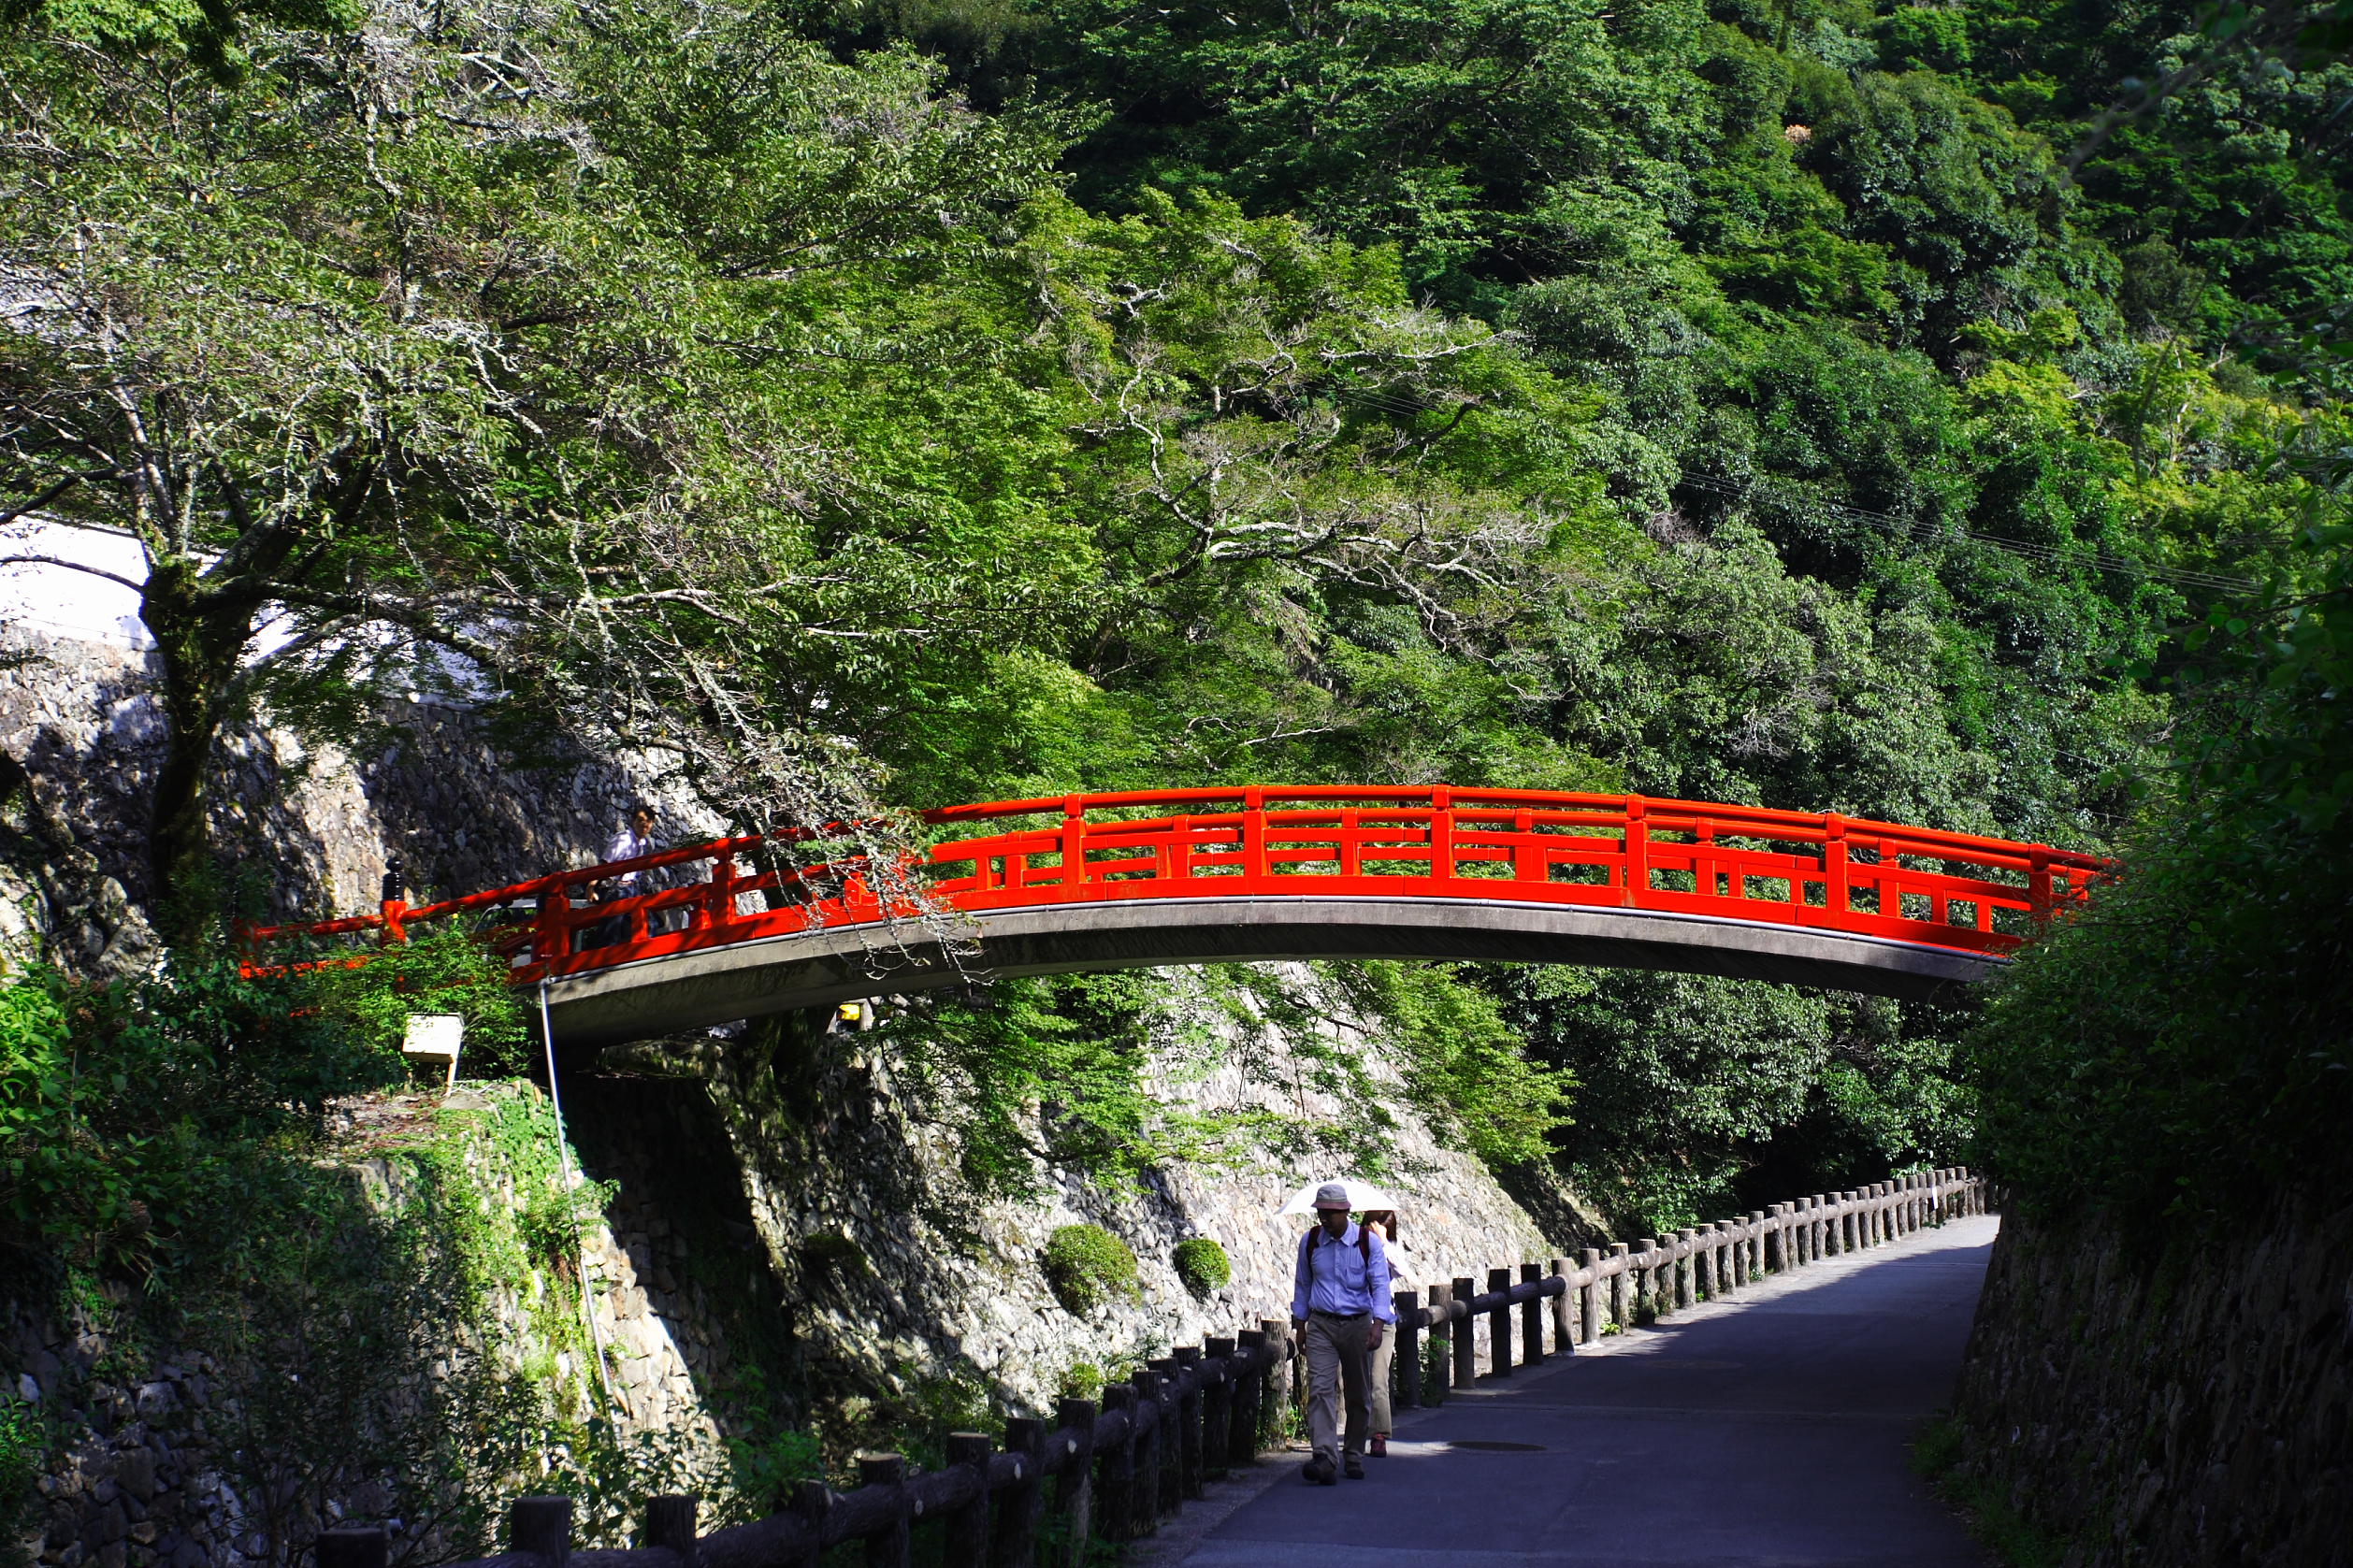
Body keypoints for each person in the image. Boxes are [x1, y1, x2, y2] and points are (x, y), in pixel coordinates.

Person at [1290, 1182, 1393, 1485]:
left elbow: (1381, 1285)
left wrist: (1377, 1324)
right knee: (1320, 1389)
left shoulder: (1366, 1242)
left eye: (1331, 1213)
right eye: (1321, 1212)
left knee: (1358, 1393)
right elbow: (1302, 1284)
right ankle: (1324, 1456)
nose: (1325, 1218)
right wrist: (1300, 1325)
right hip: (1321, 1323)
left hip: (1357, 1324)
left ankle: (1353, 1454)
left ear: (1346, 1211)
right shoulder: (1310, 1241)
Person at [1359, 1209, 1407, 1457]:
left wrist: (1382, 1243)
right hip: (1355, 1320)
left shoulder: (1391, 1249)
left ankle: (1379, 1435)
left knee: (1378, 1378)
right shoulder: (1353, 1246)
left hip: (1384, 1321)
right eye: (1370, 1227)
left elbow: (1401, 1269)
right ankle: (1352, 1433)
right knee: (1353, 1379)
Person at [587, 802, 658, 948]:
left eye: (648, 821)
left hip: (631, 887)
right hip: (616, 888)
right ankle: (604, 956)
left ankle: (644, 953)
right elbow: (605, 863)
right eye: (640, 820)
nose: (644, 824)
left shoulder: (642, 843)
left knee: (650, 923)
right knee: (611, 930)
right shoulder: (623, 839)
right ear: (633, 821)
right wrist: (591, 886)